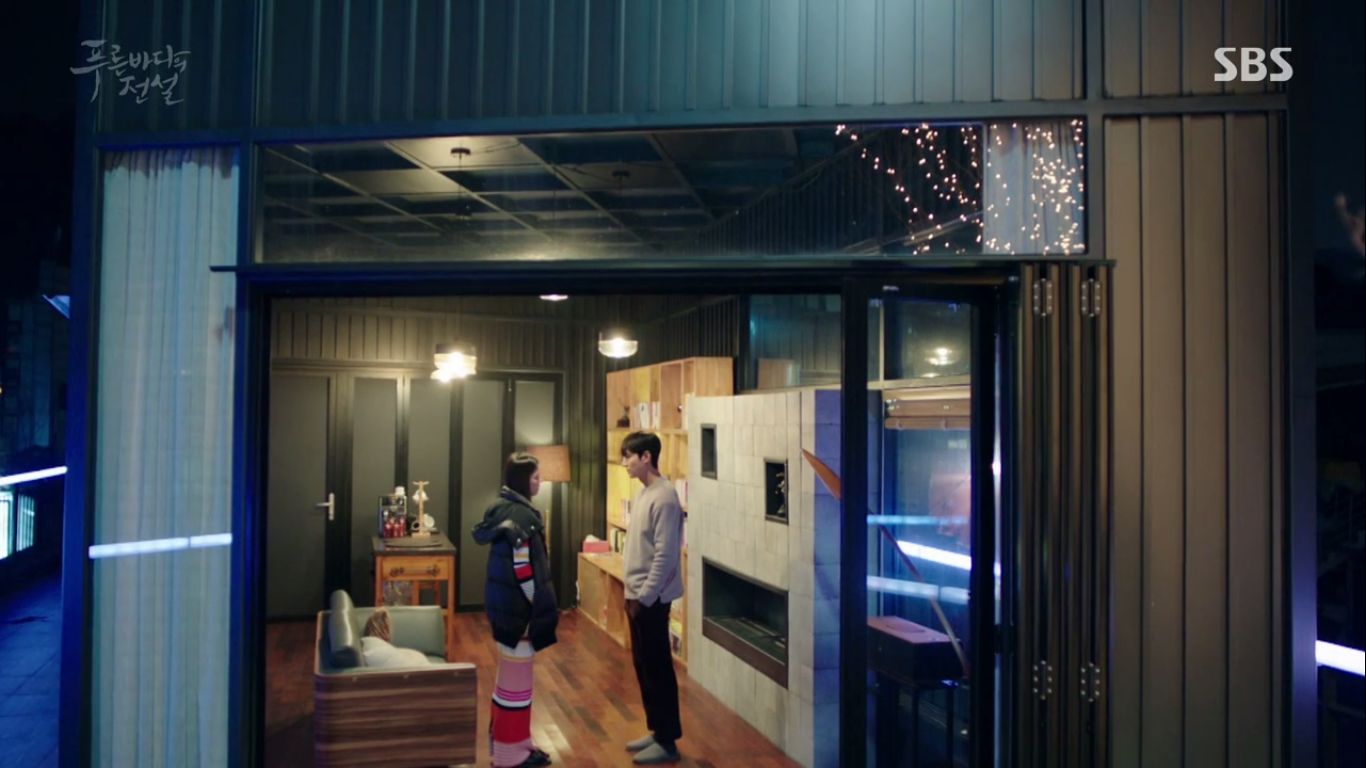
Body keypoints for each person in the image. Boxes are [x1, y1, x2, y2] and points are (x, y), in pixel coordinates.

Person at [472, 452, 559, 768]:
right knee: (516, 686)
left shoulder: (501, 508)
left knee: (510, 681)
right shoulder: (523, 518)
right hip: (520, 614)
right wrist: (537, 605)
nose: (540, 482)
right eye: (536, 477)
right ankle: (510, 756)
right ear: (524, 480)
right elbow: (523, 571)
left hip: (505, 610)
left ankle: (516, 745)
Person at [619, 431, 685, 764]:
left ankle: (668, 740)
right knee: (643, 666)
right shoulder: (645, 493)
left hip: (651, 599)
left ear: (646, 457)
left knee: (657, 668)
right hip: (636, 595)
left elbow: (665, 555)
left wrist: (645, 596)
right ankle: (657, 730)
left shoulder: (665, 497)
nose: (624, 463)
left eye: (628, 456)